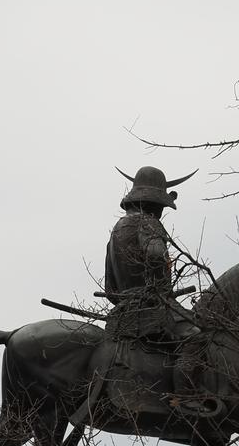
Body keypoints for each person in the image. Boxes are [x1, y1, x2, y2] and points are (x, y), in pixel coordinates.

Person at [70, 165, 206, 428]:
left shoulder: (118, 228)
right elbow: (154, 254)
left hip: (123, 310)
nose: (162, 211)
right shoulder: (149, 223)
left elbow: (110, 286)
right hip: (152, 308)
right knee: (196, 336)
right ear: (155, 203)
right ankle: (187, 398)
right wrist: (159, 290)